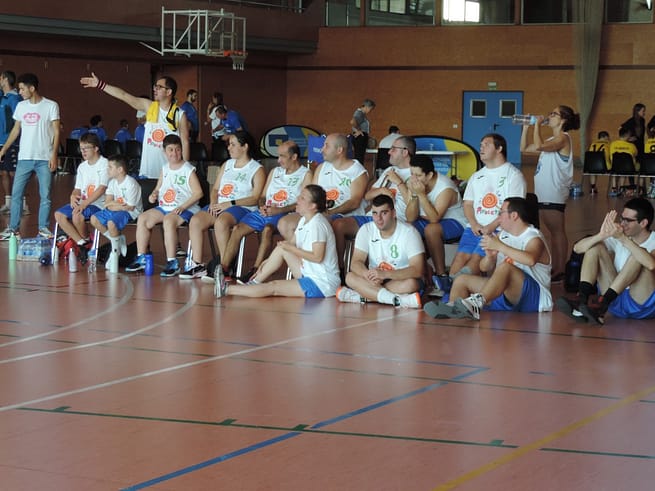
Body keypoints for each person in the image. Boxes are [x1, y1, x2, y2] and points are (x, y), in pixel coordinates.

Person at [184, 140, 311, 281]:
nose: (278, 160)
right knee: (237, 229)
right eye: (278, 156)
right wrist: (262, 206)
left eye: (282, 156)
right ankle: (224, 269)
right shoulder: (275, 172)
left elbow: (303, 202)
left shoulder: (306, 174)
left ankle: (255, 271)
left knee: (267, 230)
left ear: (294, 157)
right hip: (265, 211)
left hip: (284, 213)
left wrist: (279, 209)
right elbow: (262, 197)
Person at [424, 197, 552, 320]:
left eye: (501, 213)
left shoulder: (533, 237)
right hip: (508, 293)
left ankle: (476, 304)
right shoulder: (502, 236)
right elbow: (484, 267)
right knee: (461, 280)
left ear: (514, 215)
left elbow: (530, 260)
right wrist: (490, 257)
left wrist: (500, 246)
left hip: (535, 298)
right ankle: (453, 308)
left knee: (506, 267)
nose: (498, 217)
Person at [216, 184, 341, 299]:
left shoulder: (318, 224)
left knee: (274, 286)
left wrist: (291, 249)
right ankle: (254, 282)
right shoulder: (304, 220)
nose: (297, 199)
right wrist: (267, 262)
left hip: (322, 283)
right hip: (309, 272)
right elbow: (289, 245)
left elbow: (317, 257)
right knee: (282, 247)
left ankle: (226, 289)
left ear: (312, 206)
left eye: (302, 198)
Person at [556, 198, 655, 325]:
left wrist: (623, 239)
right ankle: (582, 299)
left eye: (628, 220)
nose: (622, 224)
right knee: (595, 247)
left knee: (639, 255)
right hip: (614, 300)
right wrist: (601, 235)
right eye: (622, 219)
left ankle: (603, 302)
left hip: (642, 304)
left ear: (643, 223)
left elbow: (651, 265)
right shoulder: (620, 236)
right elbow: (577, 248)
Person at [445, 133, 526, 287]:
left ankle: (454, 283)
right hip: (474, 228)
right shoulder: (477, 176)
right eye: (480, 145)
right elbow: (468, 204)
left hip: (500, 229)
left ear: (499, 148)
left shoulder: (513, 175)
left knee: (477, 258)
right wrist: (474, 224)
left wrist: (491, 226)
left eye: (486, 145)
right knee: (460, 258)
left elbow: (514, 210)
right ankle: (451, 289)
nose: (481, 148)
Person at [183, 130, 265, 281]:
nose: (229, 148)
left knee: (221, 223)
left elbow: (255, 198)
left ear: (245, 147)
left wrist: (230, 203)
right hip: (221, 204)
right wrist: (213, 202)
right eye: (229, 144)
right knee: (196, 221)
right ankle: (197, 265)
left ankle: (225, 266)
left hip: (242, 207)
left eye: (233, 144)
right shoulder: (227, 164)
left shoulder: (257, 169)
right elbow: (215, 189)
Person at [80, 72, 190, 178]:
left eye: (159, 87)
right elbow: (123, 95)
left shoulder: (180, 115)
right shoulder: (149, 106)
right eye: (155, 86)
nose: (155, 89)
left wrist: (184, 171)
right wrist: (100, 85)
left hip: (170, 173)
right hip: (147, 173)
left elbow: (185, 143)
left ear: (169, 91)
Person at [331, 135, 415, 273]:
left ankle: (366, 275)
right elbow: (368, 195)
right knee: (339, 225)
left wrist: (399, 182)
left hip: (395, 220)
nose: (389, 152)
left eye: (393, 149)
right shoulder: (389, 170)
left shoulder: (416, 173)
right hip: (372, 216)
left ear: (405, 152)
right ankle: (339, 271)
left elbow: (413, 205)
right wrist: (382, 190)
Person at [125, 134, 203, 276]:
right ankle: (141, 257)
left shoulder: (188, 169)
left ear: (181, 150)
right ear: (164, 152)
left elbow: (198, 193)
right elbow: (158, 188)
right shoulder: (165, 168)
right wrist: (153, 194)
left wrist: (183, 207)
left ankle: (172, 262)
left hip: (186, 207)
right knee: (143, 218)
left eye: (177, 149)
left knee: (168, 220)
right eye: (170, 150)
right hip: (165, 206)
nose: (174, 153)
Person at [520, 105, 580, 283]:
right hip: (544, 192)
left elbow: (538, 146)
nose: (549, 116)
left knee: (557, 231)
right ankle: (556, 267)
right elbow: (524, 148)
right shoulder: (552, 139)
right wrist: (526, 128)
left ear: (563, 120)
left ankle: (561, 269)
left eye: (554, 114)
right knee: (553, 232)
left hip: (554, 191)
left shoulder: (563, 138)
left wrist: (537, 124)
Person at [277, 133, 368, 249]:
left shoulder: (357, 171)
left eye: (326, 146)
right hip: (317, 212)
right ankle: (302, 257)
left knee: (317, 224)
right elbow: (311, 193)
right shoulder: (322, 167)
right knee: (284, 223)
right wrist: (303, 207)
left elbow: (354, 202)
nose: (322, 149)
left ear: (339, 150)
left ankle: (323, 258)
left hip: (343, 215)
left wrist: (330, 212)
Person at [0, 73, 60, 240]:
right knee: (16, 194)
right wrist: (3, 149)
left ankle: (43, 229)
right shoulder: (21, 106)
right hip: (24, 158)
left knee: (45, 195)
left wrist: (54, 155)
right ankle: (13, 230)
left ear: (32, 88)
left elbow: (56, 132)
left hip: (44, 158)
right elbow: (16, 130)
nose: (19, 92)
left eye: (22, 89)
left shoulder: (51, 105)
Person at [336, 194, 424, 308]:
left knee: (411, 284)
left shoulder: (409, 232)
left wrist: (385, 274)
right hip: (374, 280)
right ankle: (397, 300)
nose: (379, 218)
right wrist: (367, 275)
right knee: (350, 277)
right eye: (375, 213)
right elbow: (356, 262)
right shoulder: (366, 229)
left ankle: (361, 296)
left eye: (384, 213)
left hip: (398, 279)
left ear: (394, 213)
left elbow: (417, 270)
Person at [404, 154, 467, 295]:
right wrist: (413, 195)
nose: (414, 178)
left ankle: (441, 276)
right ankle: (419, 272)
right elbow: (410, 216)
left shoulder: (445, 188)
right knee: (407, 228)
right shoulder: (413, 182)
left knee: (431, 229)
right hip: (427, 219)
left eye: (418, 175)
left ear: (429, 175)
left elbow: (434, 219)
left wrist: (421, 194)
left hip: (456, 222)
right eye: (412, 174)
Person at [53, 133, 109, 246]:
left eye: (86, 148)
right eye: (81, 148)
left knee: (77, 216)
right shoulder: (82, 167)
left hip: (98, 204)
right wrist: (73, 196)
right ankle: (81, 243)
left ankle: (86, 241)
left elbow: (102, 189)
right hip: (83, 203)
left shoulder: (105, 164)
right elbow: (77, 188)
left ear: (96, 148)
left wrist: (83, 204)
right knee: (59, 215)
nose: (83, 151)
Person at [89, 154, 143, 256]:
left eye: (110, 167)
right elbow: (107, 203)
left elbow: (130, 207)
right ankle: (116, 240)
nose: (107, 170)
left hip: (131, 212)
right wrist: (118, 204)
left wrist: (113, 204)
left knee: (111, 223)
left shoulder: (131, 183)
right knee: (94, 219)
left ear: (120, 170)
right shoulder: (112, 182)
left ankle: (115, 253)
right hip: (118, 208)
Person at [0, 70, 21, 214]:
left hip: (12, 142)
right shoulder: (3, 98)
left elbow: (18, 122)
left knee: (15, 173)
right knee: (3, 172)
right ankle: (8, 203)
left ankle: (22, 204)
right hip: (1, 141)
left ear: (5, 79)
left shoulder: (14, 98)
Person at [608, 126, 639, 197]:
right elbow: (636, 154)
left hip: (615, 168)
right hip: (629, 169)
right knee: (625, 166)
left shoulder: (612, 144)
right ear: (628, 135)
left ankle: (614, 189)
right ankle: (622, 188)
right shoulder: (632, 146)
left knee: (619, 166)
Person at [350, 98, 376, 164]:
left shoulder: (362, 114)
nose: (370, 111)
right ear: (367, 107)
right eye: (370, 109)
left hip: (361, 137)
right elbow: (352, 122)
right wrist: (358, 130)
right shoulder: (359, 113)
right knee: (359, 157)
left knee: (360, 157)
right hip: (360, 137)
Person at [586, 131, 610, 195]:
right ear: (605, 137)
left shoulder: (592, 144)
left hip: (591, 167)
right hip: (605, 167)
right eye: (608, 137)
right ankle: (614, 188)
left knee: (593, 170)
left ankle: (593, 187)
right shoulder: (608, 145)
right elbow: (609, 156)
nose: (609, 138)